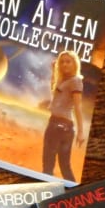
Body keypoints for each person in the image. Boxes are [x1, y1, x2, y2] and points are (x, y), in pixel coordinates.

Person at [42, 50, 85, 182]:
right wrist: (53, 72)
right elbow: (55, 91)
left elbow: (78, 106)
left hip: (58, 125)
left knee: (48, 165)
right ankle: (74, 190)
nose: (64, 64)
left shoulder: (75, 81)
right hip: (63, 127)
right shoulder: (64, 81)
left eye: (68, 61)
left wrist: (81, 132)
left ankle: (47, 190)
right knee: (64, 166)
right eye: (62, 62)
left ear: (75, 64)